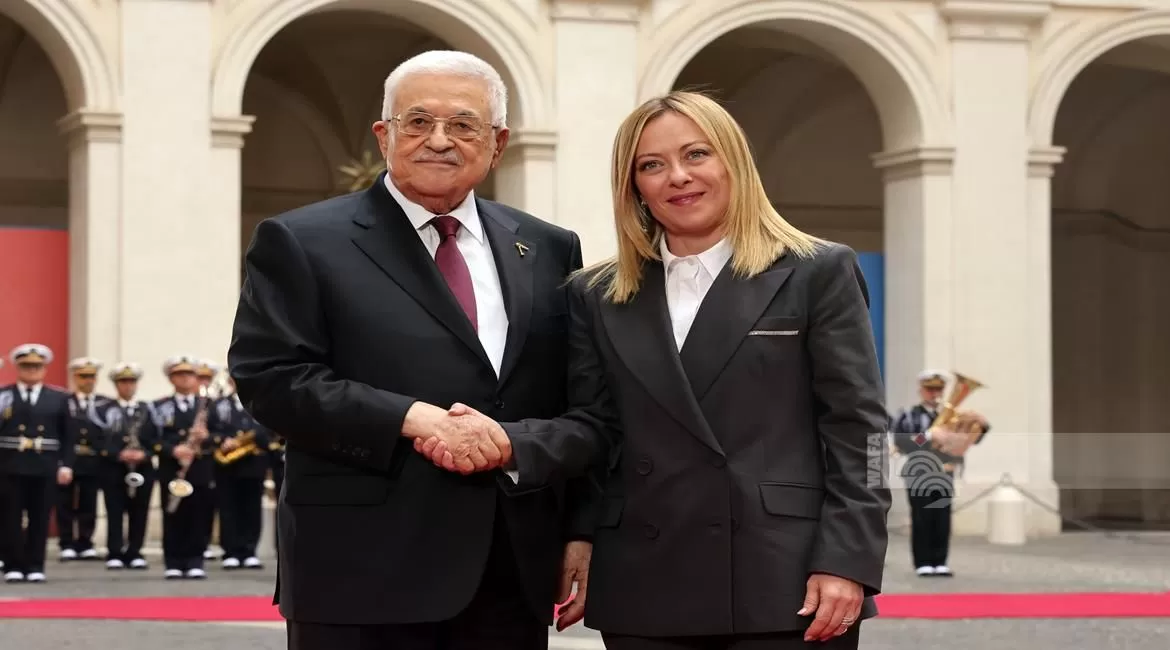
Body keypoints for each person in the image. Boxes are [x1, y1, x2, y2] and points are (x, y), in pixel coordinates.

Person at [419, 91, 892, 649]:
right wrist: (564, 512)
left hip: (783, 577)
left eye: (697, 154)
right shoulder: (597, 293)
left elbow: (863, 432)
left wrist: (848, 558)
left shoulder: (817, 271)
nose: (678, 177)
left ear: (733, 162)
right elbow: (597, 430)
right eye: (651, 165)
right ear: (634, 186)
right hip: (644, 579)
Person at [228, 49, 600, 650]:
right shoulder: (301, 240)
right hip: (360, 571)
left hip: (510, 571)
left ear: (498, 143)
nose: (440, 140)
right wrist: (414, 418)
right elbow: (271, 378)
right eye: (419, 121)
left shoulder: (549, 247)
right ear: (384, 136)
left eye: (464, 124)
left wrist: (581, 530)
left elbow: (581, 401)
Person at [890, 370, 990, 578]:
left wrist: (981, 426)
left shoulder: (952, 416)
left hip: (944, 472)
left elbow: (970, 440)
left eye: (938, 389)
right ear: (921, 390)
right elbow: (903, 442)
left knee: (942, 518)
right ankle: (923, 562)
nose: (935, 394)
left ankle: (940, 561)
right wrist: (928, 435)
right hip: (919, 472)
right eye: (930, 389)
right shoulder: (909, 415)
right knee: (922, 517)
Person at [0, 343, 73, 583]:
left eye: (36, 366)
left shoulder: (59, 398)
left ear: (44, 369)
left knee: (40, 517)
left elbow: (68, 435)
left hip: (44, 465)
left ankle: (35, 565)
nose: (31, 370)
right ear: (18, 368)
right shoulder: (4, 396)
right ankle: (13, 564)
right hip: (10, 464)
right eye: (26, 366)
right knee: (10, 517)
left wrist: (66, 465)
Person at [153, 355, 218, 580]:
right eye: (179, 374)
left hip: (199, 468)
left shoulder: (208, 405)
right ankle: (173, 561)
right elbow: (150, 438)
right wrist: (173, 450)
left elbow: (221, 434)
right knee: (173, 514)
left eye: (189, 374)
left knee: (198, 514)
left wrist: (206, 437)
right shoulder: (159, 407)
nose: (185, 378)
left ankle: (195, 560)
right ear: (171, 378)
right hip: (172, 468)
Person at [95, 362, 159, 570]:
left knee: (139, 510)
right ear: (116, 384)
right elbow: (97, 438)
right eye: (123, 382)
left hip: (142, 467)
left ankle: (135, 551)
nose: (128, 386)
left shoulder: (148, 410)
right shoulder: (103, 409)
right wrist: (118, 454)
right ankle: (114, 551)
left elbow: (157, 437)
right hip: (114, 467)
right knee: (114, 510)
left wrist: (145, 453)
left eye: (131, 381)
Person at [211, 376, 269, 570]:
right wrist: (222, 440)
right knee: (228, 507)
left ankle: (249, 550)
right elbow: (211, 429)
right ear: (230, 381)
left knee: (252, 508)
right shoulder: (219, 405)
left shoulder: (262, 402)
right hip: (227, 464)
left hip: (254, 464)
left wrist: (252, 437)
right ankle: (230, 551)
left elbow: (270, 430)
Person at [57, 357, 112, 562]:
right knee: (65, 502)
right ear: (75, 378)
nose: (88, 380)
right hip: (70, 459)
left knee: (89, 503)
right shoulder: (64, 402)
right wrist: (61, 462)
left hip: (93, 460)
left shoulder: (105, 404)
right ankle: (66, 542)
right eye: (83, 376)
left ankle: (85, 542)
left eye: (91, 376)